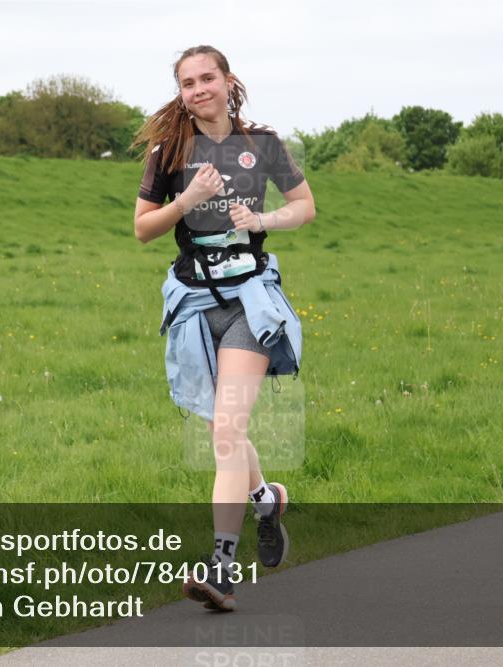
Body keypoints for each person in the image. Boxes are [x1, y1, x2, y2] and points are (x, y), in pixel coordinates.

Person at [131, 45, 316, 612]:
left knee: (226, 432)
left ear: (227, 79)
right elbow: (142, 229)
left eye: (206, 77)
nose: (198, 89)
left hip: (249, 302)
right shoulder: (169, 152)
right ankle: (266, 500)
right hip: (192, 302)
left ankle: (222, 567)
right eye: (187, 82)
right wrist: (187, 199)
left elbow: (304, 206)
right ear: (181, 91)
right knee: (223, 428)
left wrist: (263, 219)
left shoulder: (262, 143)